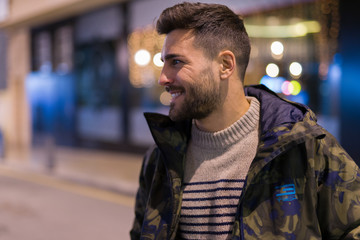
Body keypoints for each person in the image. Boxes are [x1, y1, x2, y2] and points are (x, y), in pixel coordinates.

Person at [130, 2, 360, 239]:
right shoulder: (160, 161)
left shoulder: (306, 148)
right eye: (163, 63)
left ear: (225, 65)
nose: (163, 78)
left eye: (176, 62)